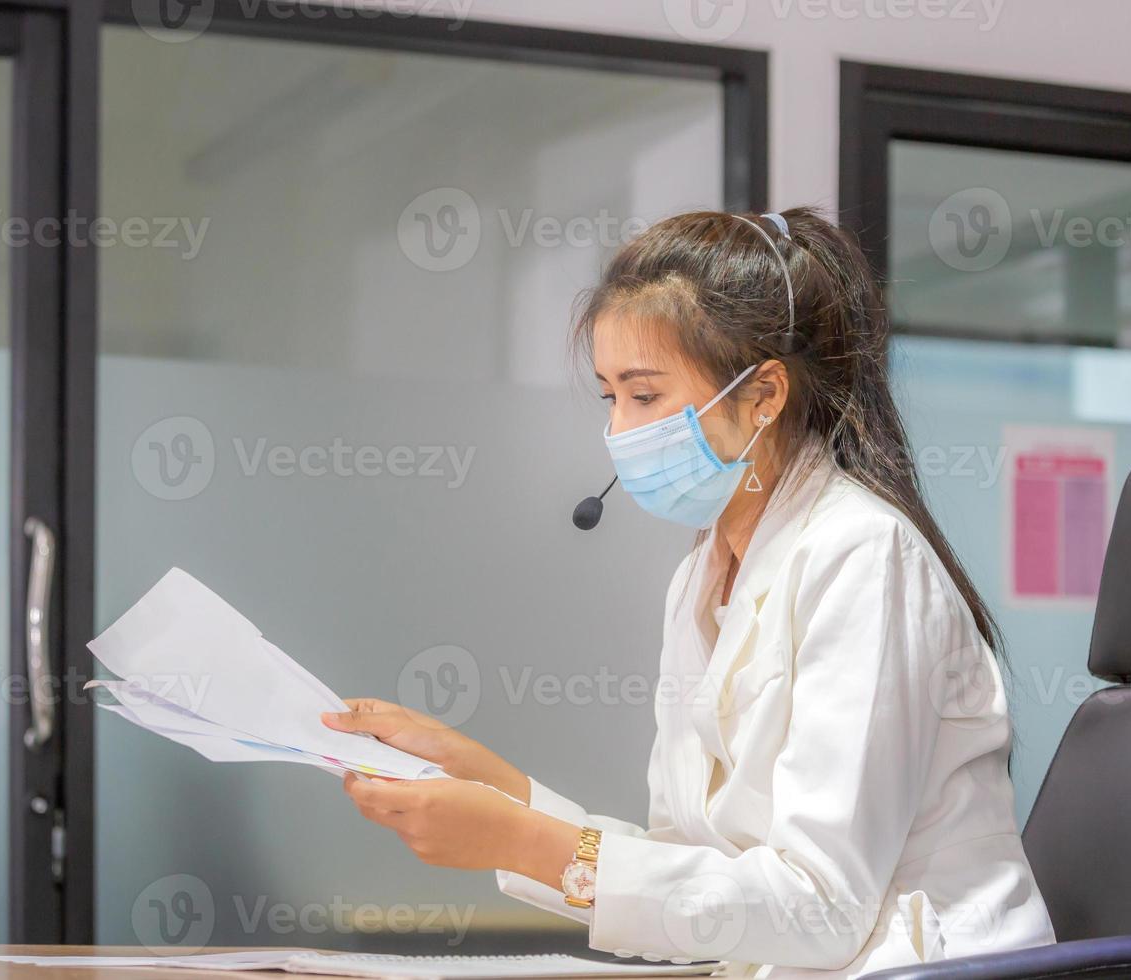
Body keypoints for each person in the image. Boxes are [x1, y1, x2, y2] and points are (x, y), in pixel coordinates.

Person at [323, 208, 1055, 977]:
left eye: (645, 396)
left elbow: (825, 908)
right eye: (610, 397)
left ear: (764, 393)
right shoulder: (702, 576)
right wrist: (491, 786)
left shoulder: (864, 555)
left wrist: (517, 841)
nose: (620, 431)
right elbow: (692, 873)